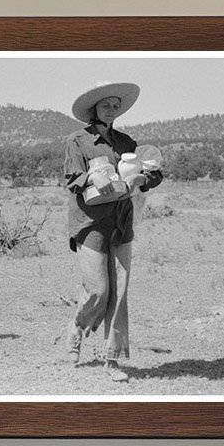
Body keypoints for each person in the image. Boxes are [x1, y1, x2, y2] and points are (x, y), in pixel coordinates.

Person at [62, 82, 163, 382]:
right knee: (98, 290)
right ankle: (76, 331)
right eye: (106, 104)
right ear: (94, 108)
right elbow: (72, 179)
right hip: (89, 222)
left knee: (119, 294)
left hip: (122, 221)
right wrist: (92, 177)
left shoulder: (126, 141)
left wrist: (144, 178)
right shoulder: (77, 140)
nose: (112, 109)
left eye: (116, 105)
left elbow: (149, 176)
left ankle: (112, 359)